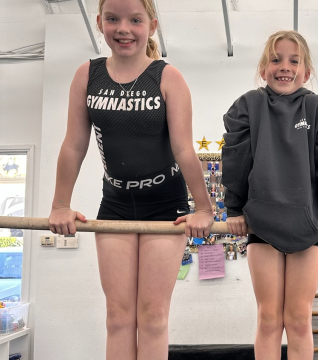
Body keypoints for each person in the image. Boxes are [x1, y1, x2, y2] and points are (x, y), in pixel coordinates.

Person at [47, 0, 213, 358]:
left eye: (134, 20)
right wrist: (60, 204)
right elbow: (74, 145)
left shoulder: (167, 77)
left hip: (165, 204)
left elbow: (184, 149)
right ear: (99, 22)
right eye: (113, 19)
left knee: (153, 317)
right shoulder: (88, 75)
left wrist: (204, 207)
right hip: (117, 204)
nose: (123, 28)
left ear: (152, 26)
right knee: (118, 317)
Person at [222, 30, 318, 360]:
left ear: (306, 72)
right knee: (268, 318)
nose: (285, 66)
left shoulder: (316, 108)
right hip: (263, 225)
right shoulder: (249, 106)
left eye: (294, 61)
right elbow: (236, 159)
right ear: (263, 69)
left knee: (298, 319)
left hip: (306, 225)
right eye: (275, 59)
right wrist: (234, 209)